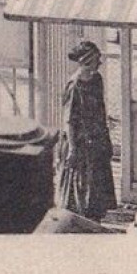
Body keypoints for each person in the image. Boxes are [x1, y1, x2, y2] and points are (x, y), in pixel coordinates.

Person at [56, 41, 116, 221]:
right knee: (80, 187)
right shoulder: (74, 86)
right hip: (79, 143)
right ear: (88, 60)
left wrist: (106, 136)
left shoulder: (97, 80)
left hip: (97, 140)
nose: (100, 63)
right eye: (97, 59)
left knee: (97, 187)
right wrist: (73, 149)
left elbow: (100, 109)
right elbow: (69, 121)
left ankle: (94, 219)